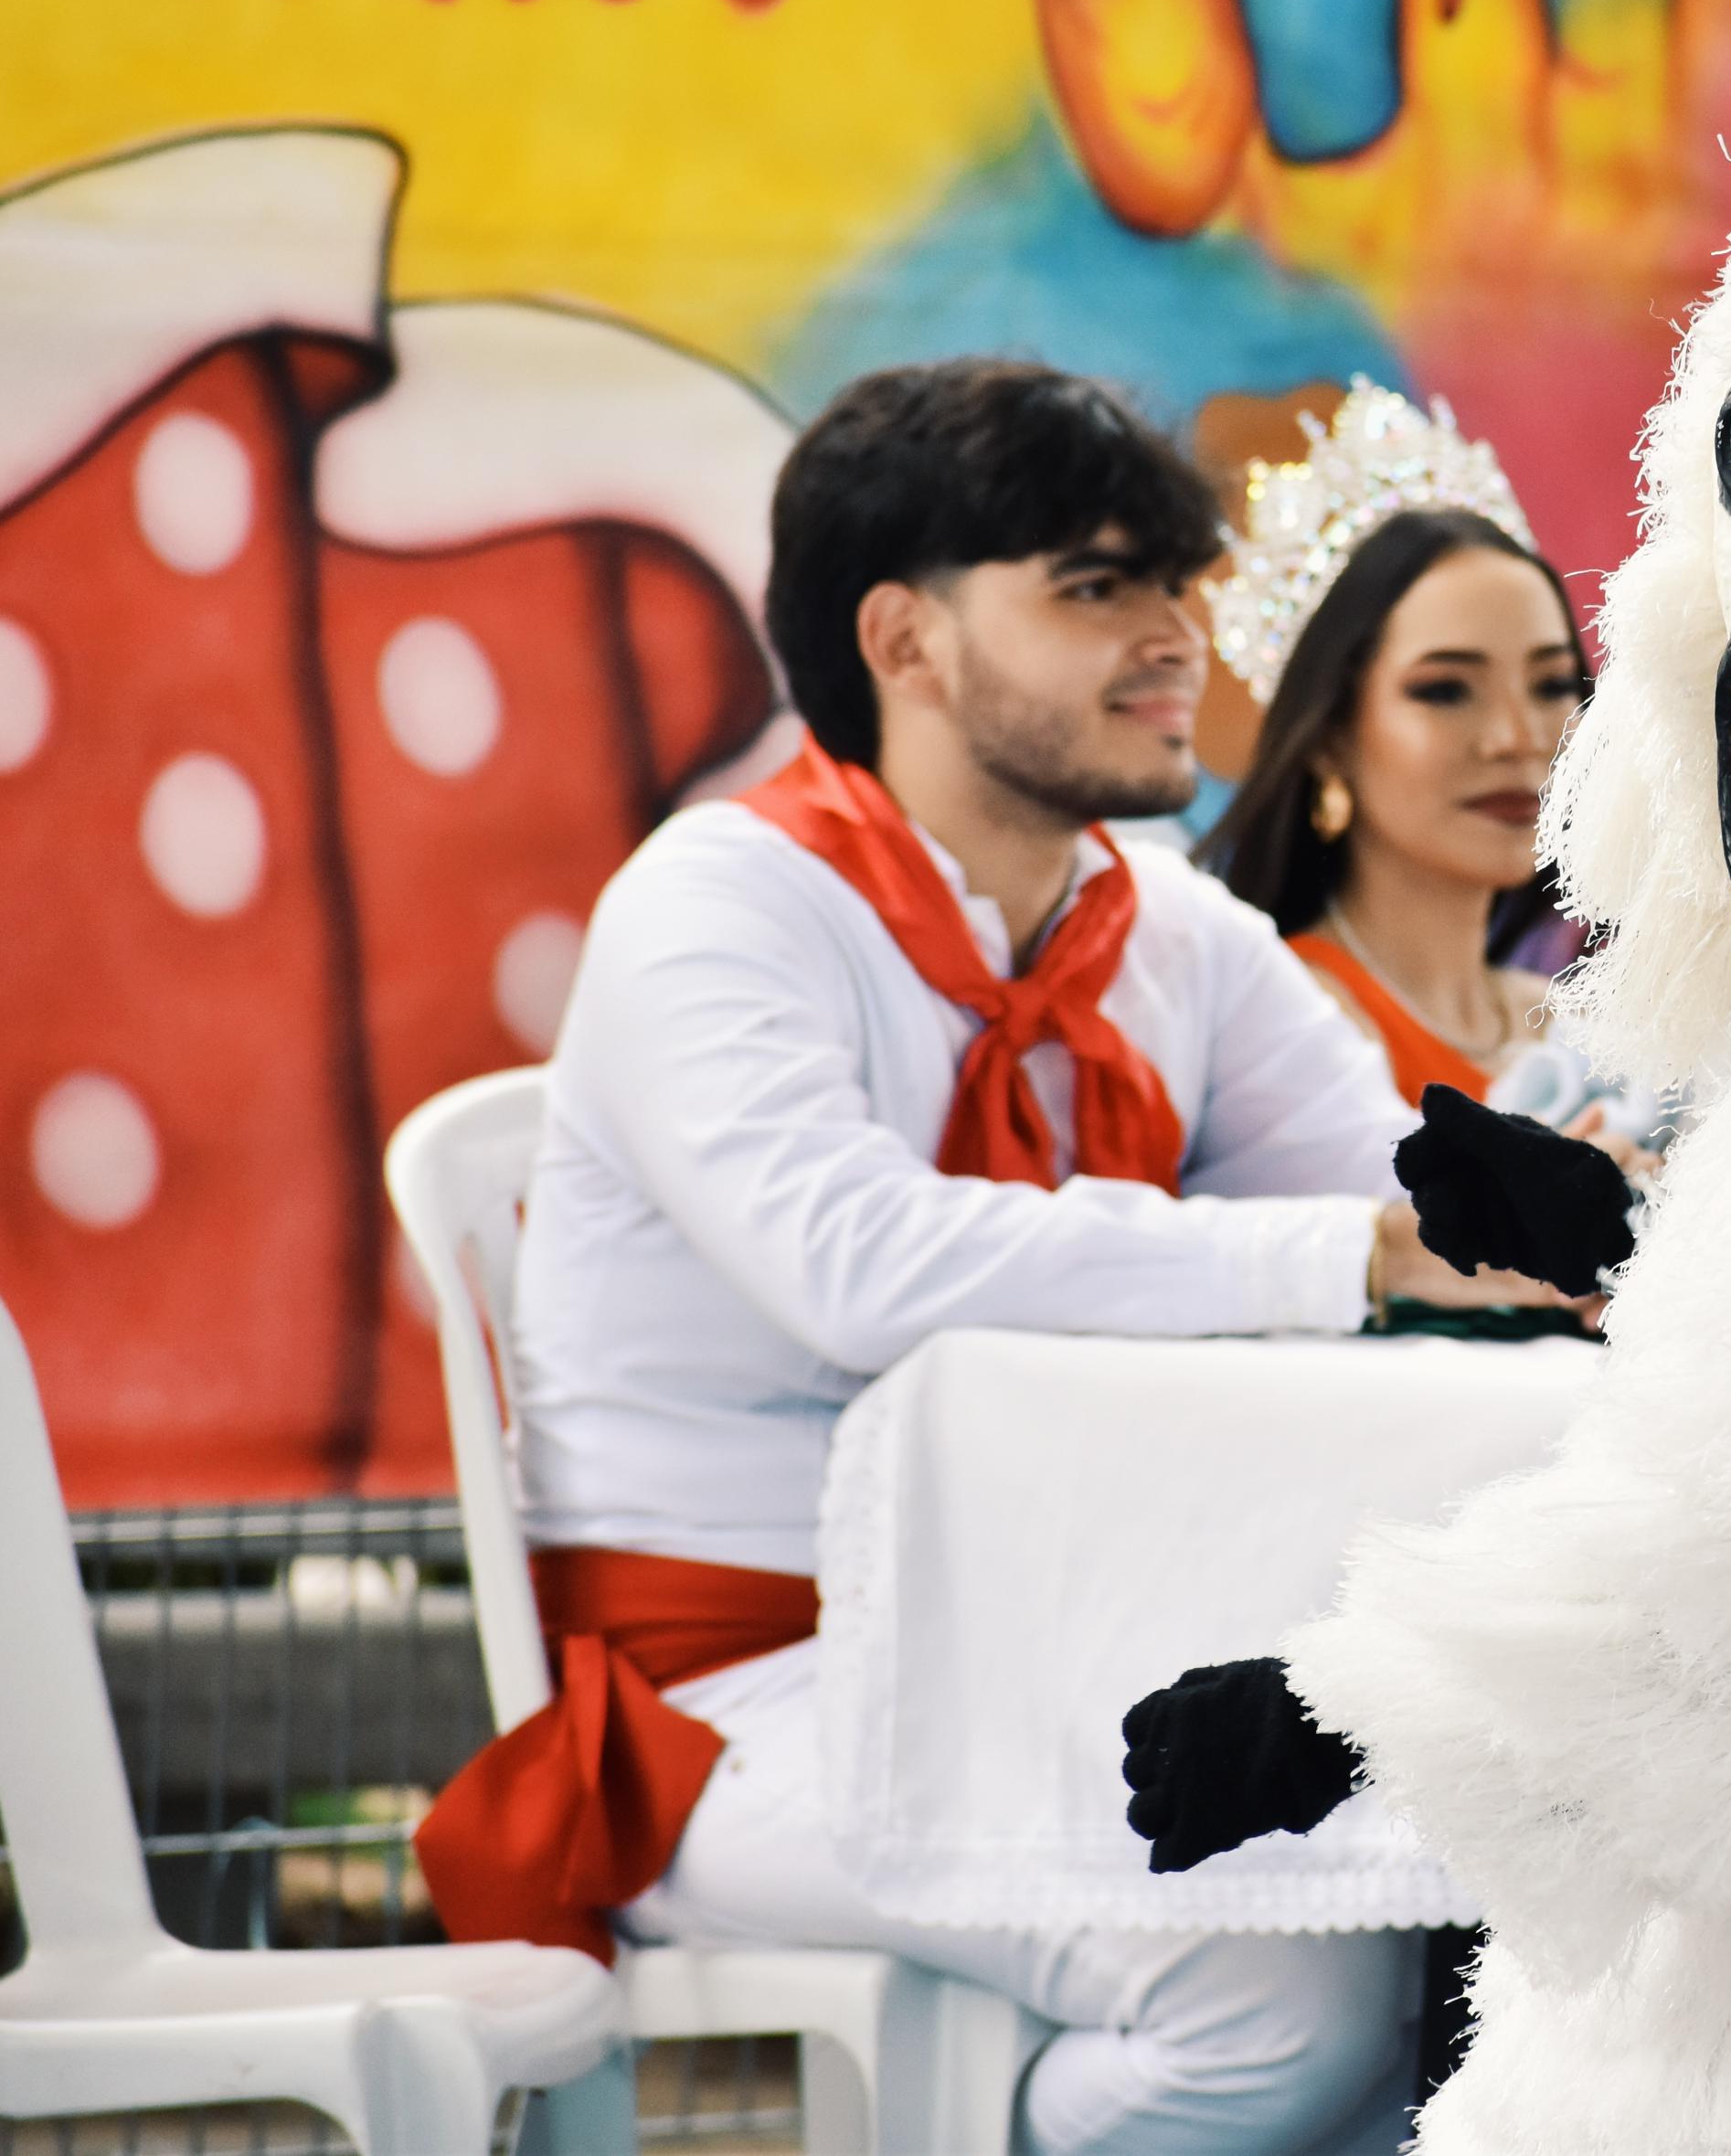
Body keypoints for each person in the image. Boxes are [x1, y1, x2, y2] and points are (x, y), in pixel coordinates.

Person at [414, 360, 1567, 2156]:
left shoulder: (1163, 926)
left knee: (1460, 1907)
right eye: (1095, 587)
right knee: (1285, 1993)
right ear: (907, 638)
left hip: (1037, 1656)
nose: (1178, 637)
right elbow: (859, 1263)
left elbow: (1413, 1189)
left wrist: (1598, 1216)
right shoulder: (715, 904)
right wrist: (1349, 1254)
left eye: (1177, 587)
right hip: (733, 1704)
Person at [1200, 387, 1653, 1152]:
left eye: (1550, 685)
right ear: (1328, 738)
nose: (1517, 737)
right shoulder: (1288, 1025)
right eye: (1444, 690)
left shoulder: (1585, 1030)